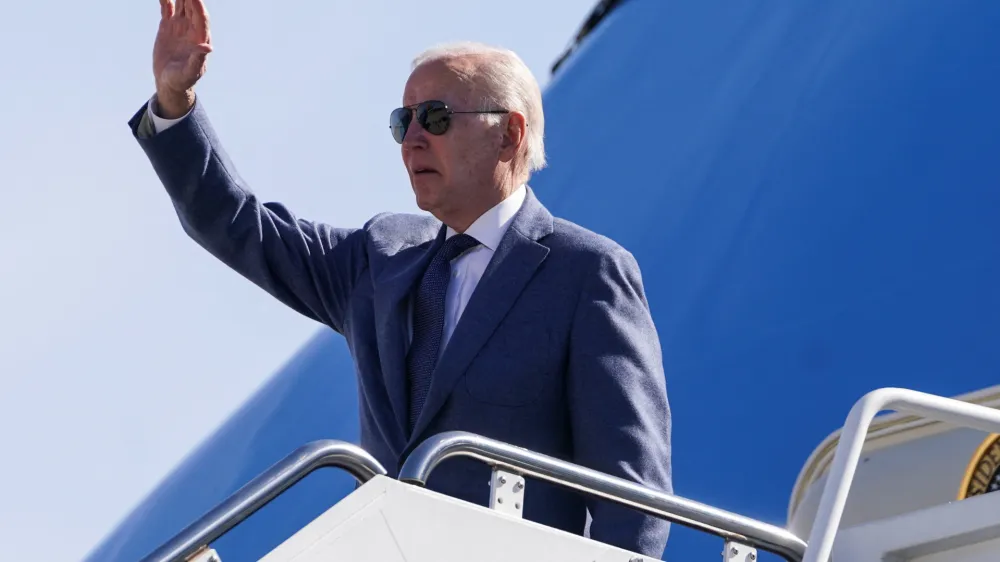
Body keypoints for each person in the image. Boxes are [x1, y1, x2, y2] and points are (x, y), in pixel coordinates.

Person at [131, 0, 673, 557]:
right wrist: (176, 103)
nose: (412, 138)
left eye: (435, 117)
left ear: (510, 134)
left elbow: (632, 497)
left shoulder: (584, 272)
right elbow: (241, 227)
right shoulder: (380, 257)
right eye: (402, 120)